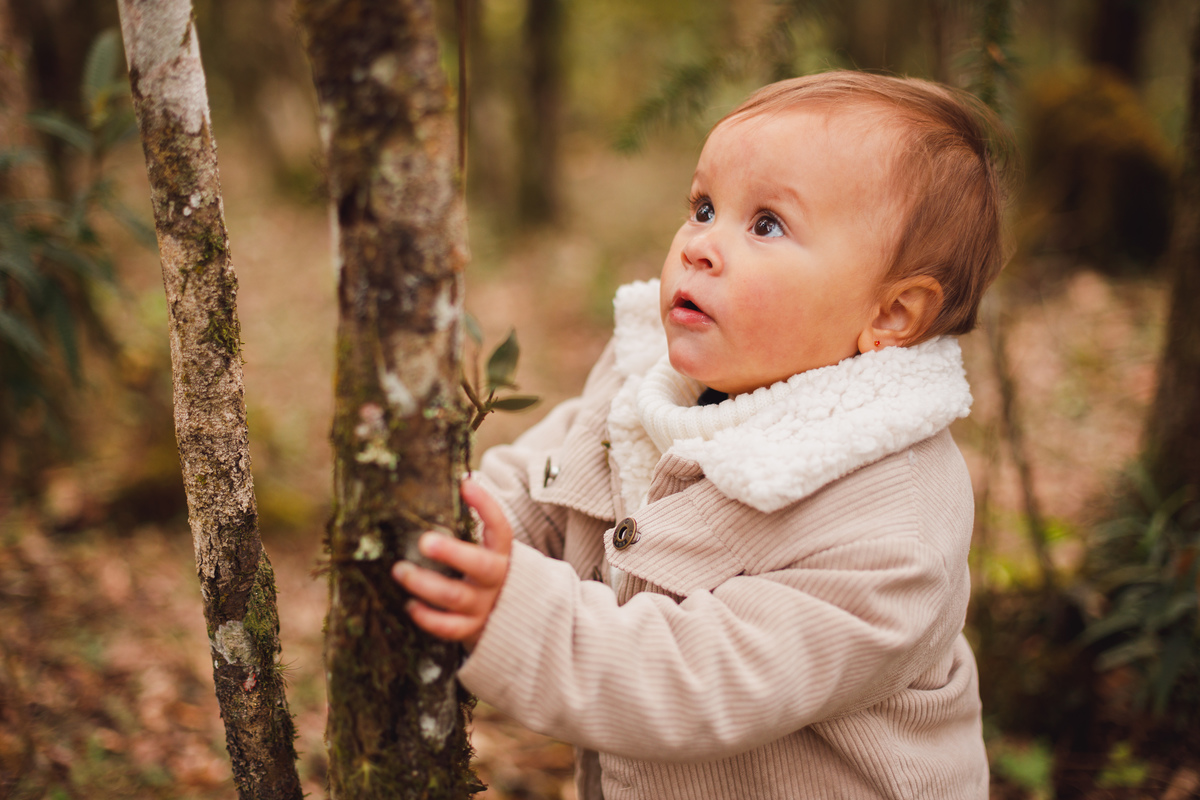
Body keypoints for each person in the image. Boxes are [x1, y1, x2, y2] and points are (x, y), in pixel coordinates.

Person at [392, 70, 1011, 800]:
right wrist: (461, 528)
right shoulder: (646, 388)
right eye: (704, 207)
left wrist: (513, 611)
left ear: (894, 314)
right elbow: (545, 487)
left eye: (766, 224)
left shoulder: (891, 524)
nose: (701, 247)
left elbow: (700, 677)